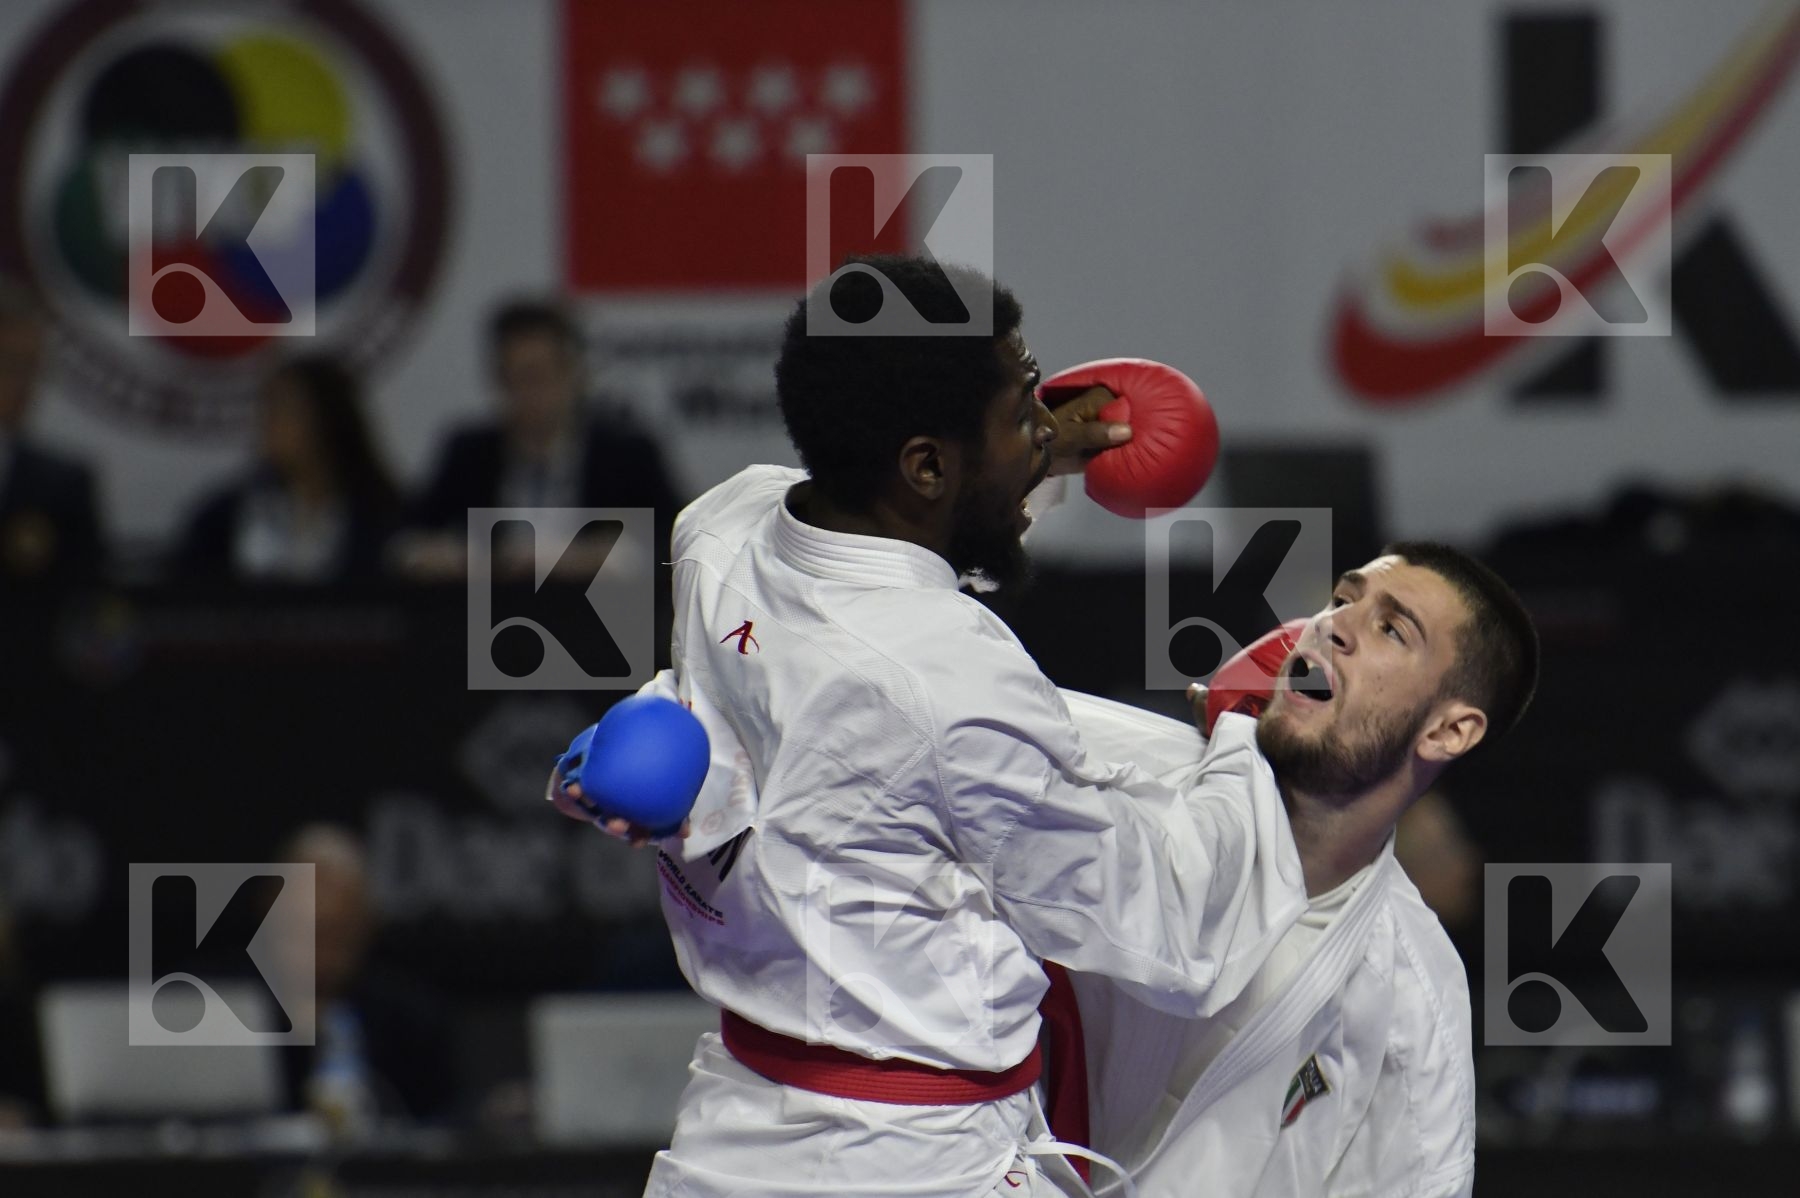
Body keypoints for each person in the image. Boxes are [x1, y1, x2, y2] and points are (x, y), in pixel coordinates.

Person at [555, 256, 1312, 1197]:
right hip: (921, 1164)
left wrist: (1025, 448)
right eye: (1021, 412)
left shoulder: (720, 524)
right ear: (925, 463)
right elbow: (1175, 928)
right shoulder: (955, 681)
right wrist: (1244, 729)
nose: (1044, 430)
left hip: (729, 1138)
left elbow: (863, 516)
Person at [1063, 544, 1538, 1197]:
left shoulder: (1410, 1000)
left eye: (1391, 629)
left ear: (1448, 732)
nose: (1331, 624)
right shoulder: (1110, 776)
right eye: (1342, 600)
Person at [397, 299, 684, 583]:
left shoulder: (626, 456)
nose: (526, 394)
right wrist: (455, 557)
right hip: (489, 619)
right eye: (512, 378)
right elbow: (406, 541)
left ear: (573, 374)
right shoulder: (469, 454)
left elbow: (679, 542)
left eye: (537, 376)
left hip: (603, 618)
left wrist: (602, 558)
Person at [268, 824, 455, 1134]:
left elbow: (448, 1120)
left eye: (336, 934)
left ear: (366, 925)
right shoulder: (224, 1008)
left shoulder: (411, 1017)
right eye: (304, 931)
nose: (320, 953)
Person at [175, 356, 400, 583]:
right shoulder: (224, 515)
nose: (269, 423)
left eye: (286, 410)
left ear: (327, 420)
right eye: (266, 409)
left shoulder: (379, 514)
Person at [0, 280, 103, 584]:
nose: (25, 384)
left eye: (34, 368)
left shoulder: (63, 485)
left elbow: (84, 597)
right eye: (11, 364)